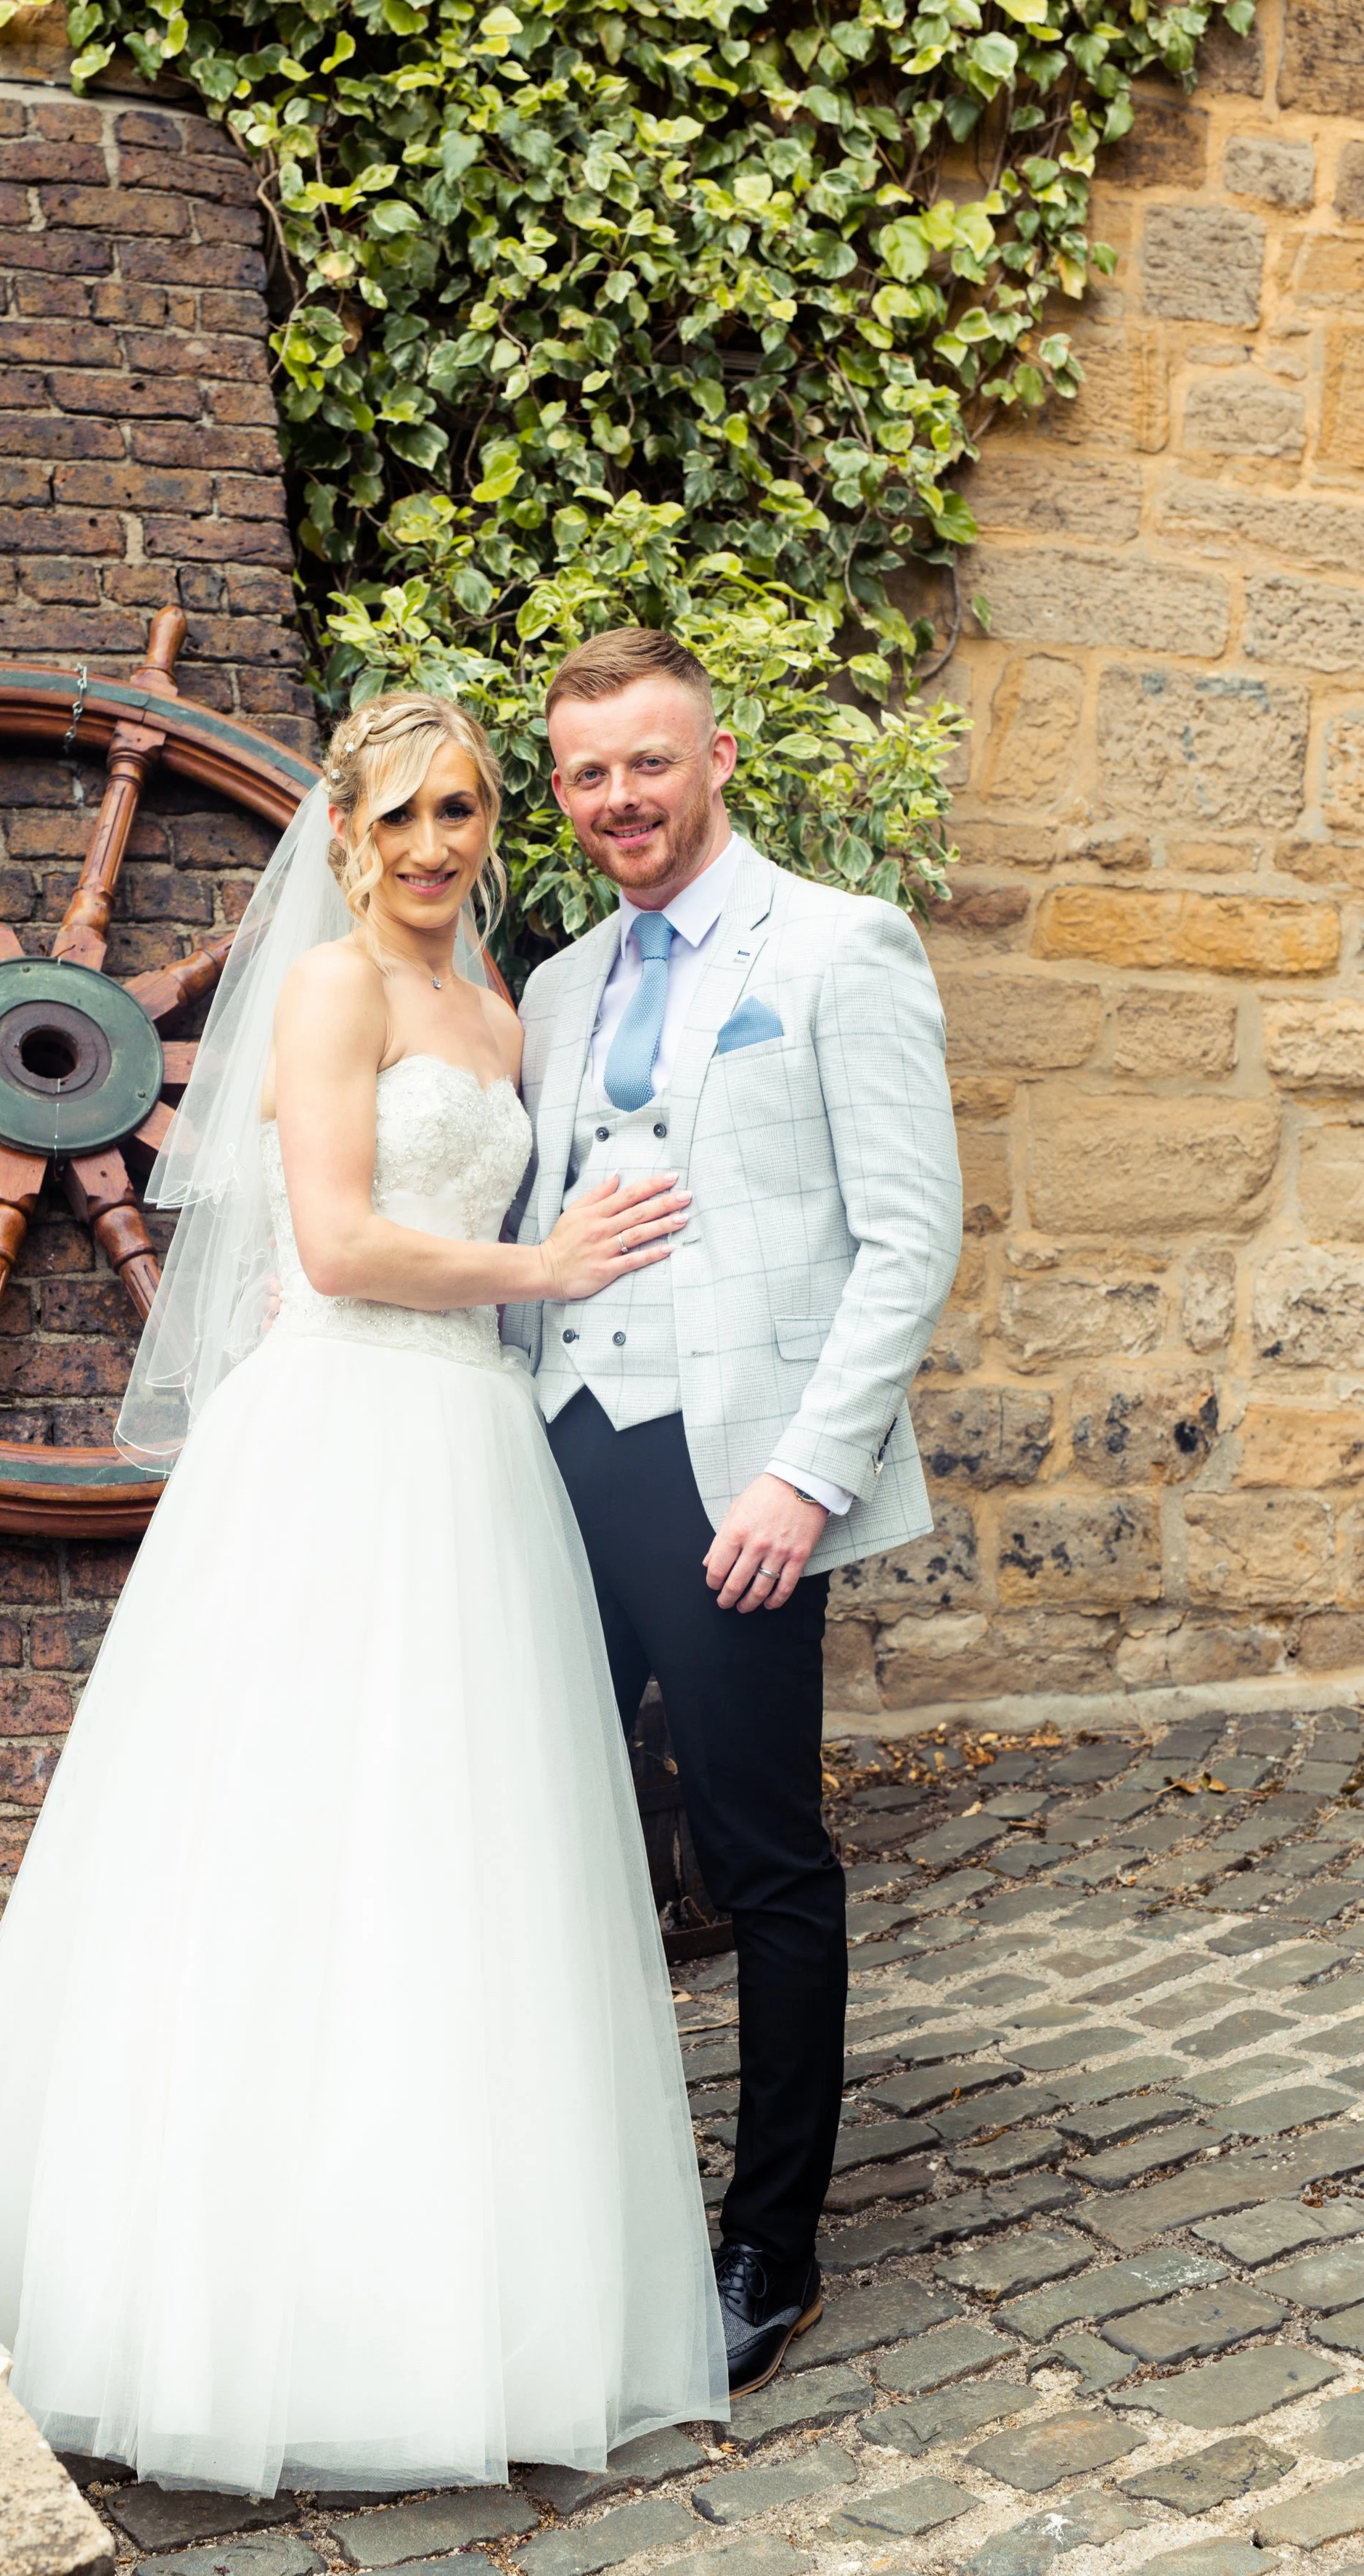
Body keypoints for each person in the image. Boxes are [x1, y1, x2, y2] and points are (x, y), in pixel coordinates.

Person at [0, 690, 727, 2496]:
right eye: (403, 813)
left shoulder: (496, 1010)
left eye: (466, 810)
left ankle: (452, 2303)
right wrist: (540, 1258)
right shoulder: (335, 989)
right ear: (342, 828)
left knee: (455, 1857)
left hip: (473, 1451)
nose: (435, 845)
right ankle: (221, 2307)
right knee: (284, 1844)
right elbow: (332, 1243)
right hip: (344, 1437)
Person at [503, 629, 962, 2393]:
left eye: (645, 763)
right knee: (548, 1840)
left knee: (762, 1860)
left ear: (711, 760)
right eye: (584, 774)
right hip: (559, 1449)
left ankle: (770, 2234)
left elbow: (905, 1238)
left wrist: (804, 1475)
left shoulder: (836, 946)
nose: (615, 799)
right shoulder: (550, 990)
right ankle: (567, 2204)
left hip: (735, 1477)